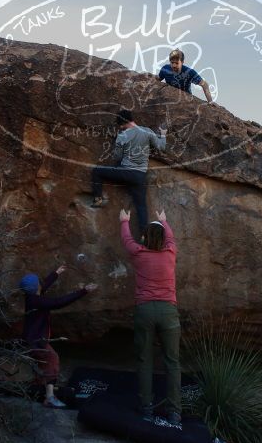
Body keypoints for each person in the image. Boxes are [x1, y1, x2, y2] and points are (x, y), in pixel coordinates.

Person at [119, 208, 181, 425]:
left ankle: (146, 408)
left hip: (145, 310)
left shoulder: (139, 253)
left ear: (144, 237)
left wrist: (125, 221)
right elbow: (170, 237)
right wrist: (165, 220)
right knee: (172, 362)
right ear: (164, 239)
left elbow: (127, 240)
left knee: (145, 360)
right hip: (168, 311)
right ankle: (174, 412)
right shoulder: (170, 252)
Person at [20, 265, 98, 408]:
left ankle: (38, 389)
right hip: (37, 341)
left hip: (31, 339)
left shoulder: (31, 297)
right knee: (52, 359)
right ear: (36, 287)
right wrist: (83, 291)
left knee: (42, 363)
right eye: (38, 282)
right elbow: (58, 302)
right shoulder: (38, 301)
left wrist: (56, 273)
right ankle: (49, 397)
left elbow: (43, 286)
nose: (40, 283)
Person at [91, 109, 166, 237]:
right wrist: (163, 135)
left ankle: (98, 199)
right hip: (140, 176)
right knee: (141, 206)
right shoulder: (147, 131)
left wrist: (119, 145)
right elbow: (161, 147)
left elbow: (117, 157)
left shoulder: (122, 135)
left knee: (96, 171)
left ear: (121, 124)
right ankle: (144, 236)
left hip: (125, 172)